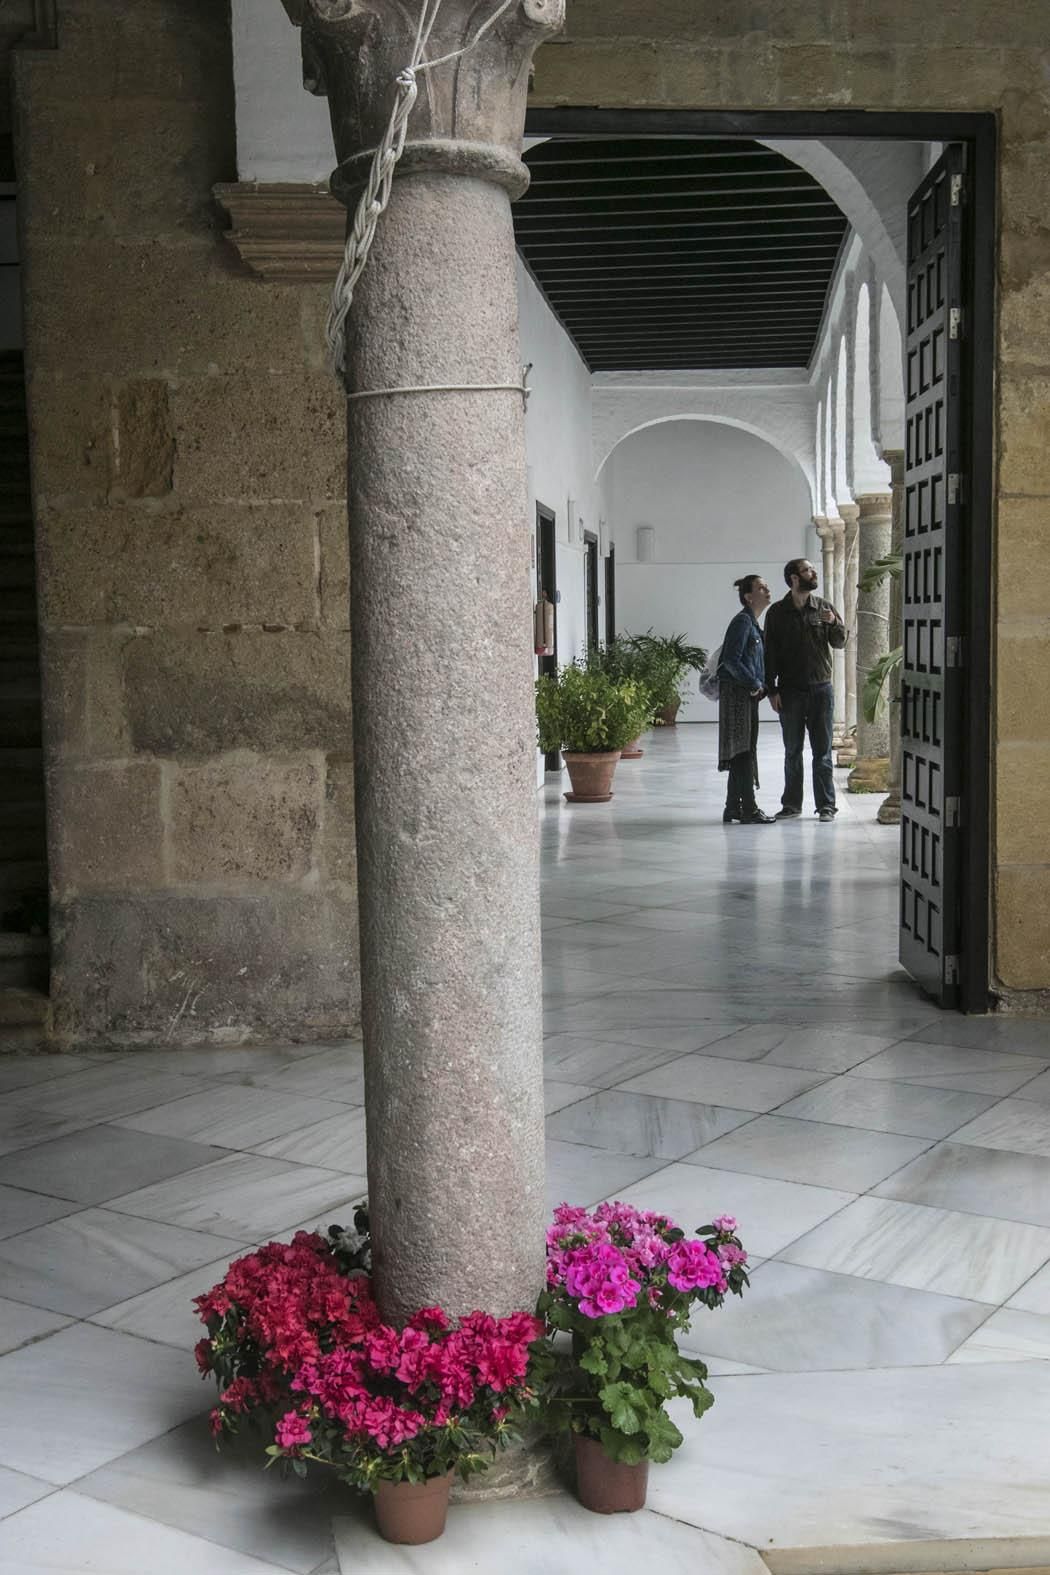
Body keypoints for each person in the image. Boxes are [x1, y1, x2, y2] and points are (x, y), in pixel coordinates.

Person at [763, 557, 846, 823]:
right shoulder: (776, 613)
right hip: (790, 692)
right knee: (792, 750)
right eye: (808, 570)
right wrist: (771, 690)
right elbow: (769, 654)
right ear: (794, 578)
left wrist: (834, 622)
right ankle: (791, 805)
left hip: (821, 689)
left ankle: (826, 806)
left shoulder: (824, 608)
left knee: (822, 752)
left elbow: (840, 642)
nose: (813, 573)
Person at [717, 574, 775, 824]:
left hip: (746, 695)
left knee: (743, 750)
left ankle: (732, 807)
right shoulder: (742, 622)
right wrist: (753, 683)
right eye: (762, 587)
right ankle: (749, 809)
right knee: (743, 752)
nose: (767, 590)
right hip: (738, 696)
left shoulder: (752, 624)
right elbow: (730, 660)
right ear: (749, 597)